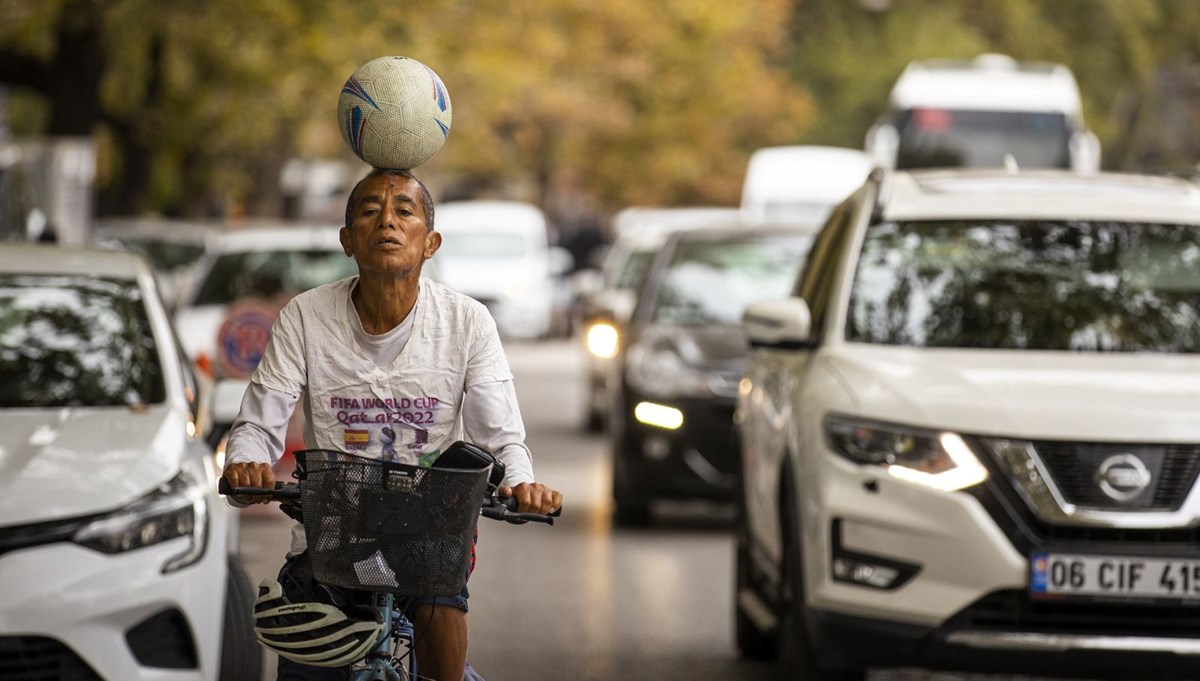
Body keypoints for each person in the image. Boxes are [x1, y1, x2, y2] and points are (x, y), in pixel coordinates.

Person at [221, 167, 563, 681]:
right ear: (346, 240)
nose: (387, 222)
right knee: (305, 655)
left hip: (428, 535)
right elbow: (259, 421)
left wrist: (519, 482)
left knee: (439, 606)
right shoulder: (304, 316)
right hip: (330, 537)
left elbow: (502, 436)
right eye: (369, 212)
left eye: (405, 211)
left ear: (431, 243)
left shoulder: (467, 321)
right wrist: (246, 464)